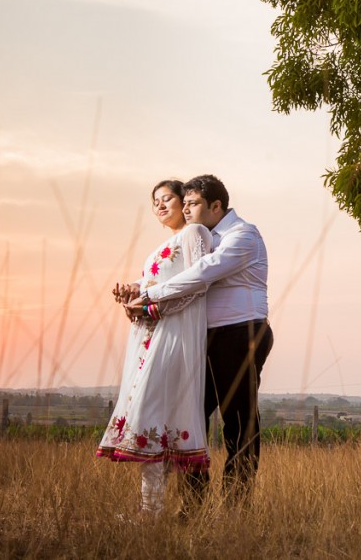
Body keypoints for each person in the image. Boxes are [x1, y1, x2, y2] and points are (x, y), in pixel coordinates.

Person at [125, 174, 273, 503]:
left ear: (216, 206)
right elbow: (181, 272)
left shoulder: (242, 235)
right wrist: (138, 286)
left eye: (193, 204)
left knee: (239, 422)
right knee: (188, 416)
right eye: (186, 203)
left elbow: (202, 272)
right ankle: (192, 502)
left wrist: (149, 295)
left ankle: (237, 505)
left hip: (241, 333)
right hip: (205, 339)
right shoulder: (204, 236)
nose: (187, 210)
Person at [97, 180, 212, 515]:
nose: (160, 205)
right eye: (155, 201)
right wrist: (130, 291)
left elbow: (198, 285)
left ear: (184, 203)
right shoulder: (163, 245)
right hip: (150, 337)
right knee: (152, 417)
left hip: (173, 336)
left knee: (152, 411)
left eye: (168, 198)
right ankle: (152, 510)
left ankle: (152, 511)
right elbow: (155, 284)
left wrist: (154, 308)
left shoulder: (194, 235)